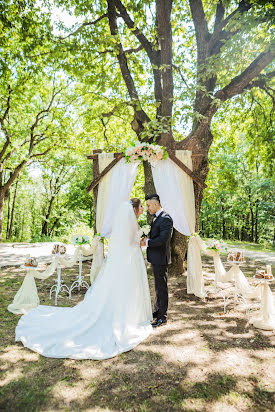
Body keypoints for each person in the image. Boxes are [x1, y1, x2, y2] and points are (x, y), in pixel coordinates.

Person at [15, 199, 153, 360]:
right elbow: (131, 242)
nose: (143, 208)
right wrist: (142, 239)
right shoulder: (131, 223)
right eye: (141, 206)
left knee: (125, 288)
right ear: (135, 209)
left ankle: (129, 314)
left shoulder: (128, 222)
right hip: (130, 260)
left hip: (127, 260)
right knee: (127, 287)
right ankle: (126, 317)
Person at [140, 194, 173, 327]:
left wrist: (147, 242)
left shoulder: (166, 218)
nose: (147, 208)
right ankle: (157, 311)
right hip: (155, 258)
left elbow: (162, 239)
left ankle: (162, 317)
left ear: (155, 204)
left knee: (162, 287)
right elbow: (156, 235)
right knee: (158, 287)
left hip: (161, 258)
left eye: (148, 205)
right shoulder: (156, 218)